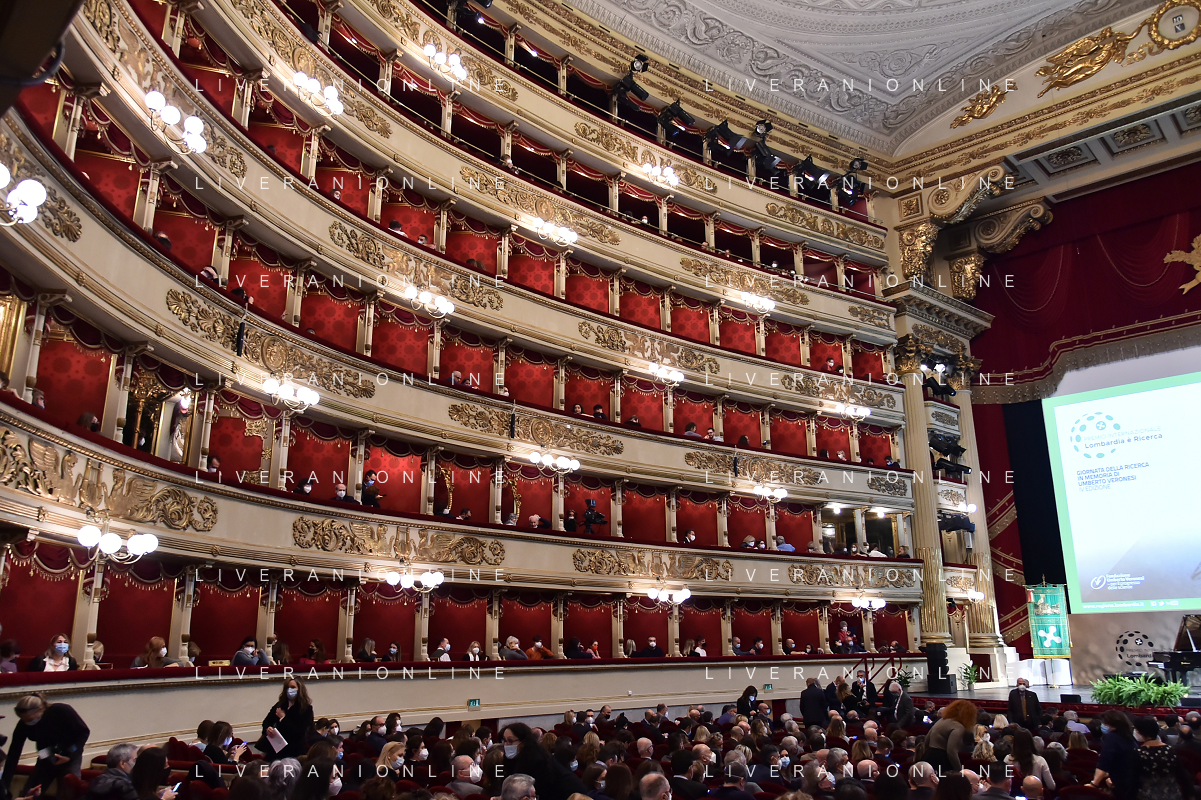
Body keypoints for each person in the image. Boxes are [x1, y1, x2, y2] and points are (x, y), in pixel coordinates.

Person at [1, 694, 90, 795]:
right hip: (45, 753)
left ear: (41, 709)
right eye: (24, 720)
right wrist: (4, 786)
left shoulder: (61, 710)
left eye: (30, 719)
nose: (27, 723)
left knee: (68, 790)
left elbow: (83, 732)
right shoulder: (24, 723)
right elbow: (14, 753)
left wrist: (69, 756)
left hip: (70, 750)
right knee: (30, 791)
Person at [502, 723, 589, 800]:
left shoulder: (536, 760)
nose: (506, 745)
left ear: (523, 742)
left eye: (510, 741)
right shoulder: (516, 759)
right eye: (505, 740)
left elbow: (537, 792)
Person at [1131, 716, 1189, 800]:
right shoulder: (1171, 750)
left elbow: (1133, 780)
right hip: (1172, 795)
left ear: (1139, 732)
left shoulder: (1137, 753)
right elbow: (1182, 775)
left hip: (1147, 796)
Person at [256, 677, 314, 760]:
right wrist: (268, 728)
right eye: (287, 687)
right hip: (275, 750)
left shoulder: (306, 709)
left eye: (293, 687)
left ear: (300, 689)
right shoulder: (280, 705)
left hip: (294, 750)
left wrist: (283, 718)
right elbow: (267, 721)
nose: (290, 690)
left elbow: (299, 732)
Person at [924, 700, 978, 773]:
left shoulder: (941, 720)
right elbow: (951, 751)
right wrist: (959, 771)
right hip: (942, 760)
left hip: (929, 756)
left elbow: (926, 741)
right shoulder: (958, 727)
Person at [1093, 710, 1136, 800]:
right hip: (1131, 781)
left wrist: (1094, 783)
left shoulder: (1111, 737)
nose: (1103, 725)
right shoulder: (1129, 737)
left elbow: (1104, 761)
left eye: (1105, 723)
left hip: (1121, 784)